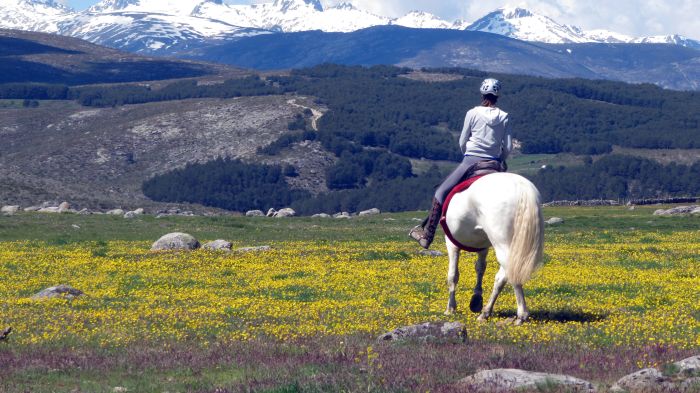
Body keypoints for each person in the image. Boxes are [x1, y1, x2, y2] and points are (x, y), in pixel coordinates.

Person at [409, 78, 513, 249]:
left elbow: (463, 141)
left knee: (441, 192)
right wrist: (500, 159)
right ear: (498, 96)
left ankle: (427, 235)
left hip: (471, 160)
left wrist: (468, 154)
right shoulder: (504, 116)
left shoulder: (472, 113)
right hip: (494, 163)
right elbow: (508, 147)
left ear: (482, 93)